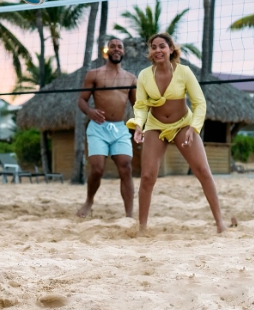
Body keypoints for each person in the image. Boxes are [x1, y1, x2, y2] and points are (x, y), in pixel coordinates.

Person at [127, 32, 229, 234]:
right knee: (147, 177)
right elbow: (140, 105)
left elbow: (200, 103)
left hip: (183, 124)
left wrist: (194, 128)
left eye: (162, 46)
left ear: (171, 49)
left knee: (203, 171)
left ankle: (220, 223)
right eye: (154, 47)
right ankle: (142, 227)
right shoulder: (144, 75)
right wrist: (139, 124)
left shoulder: (184, 72)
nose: (158, 50)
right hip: (156, 125)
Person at [76, 36, 137, 218]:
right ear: (107, 51)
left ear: (123, 51)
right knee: (97, 169)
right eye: (113, 46)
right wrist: (90, 112)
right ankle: (89, 201)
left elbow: (137, 106)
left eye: (119, 46)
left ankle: (129, 214)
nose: (116, 49)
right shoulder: (94, 74)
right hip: (98, 127)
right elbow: (81, 100)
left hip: (119, 128)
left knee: (126, 166)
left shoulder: (131, 78)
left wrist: (141, 125)